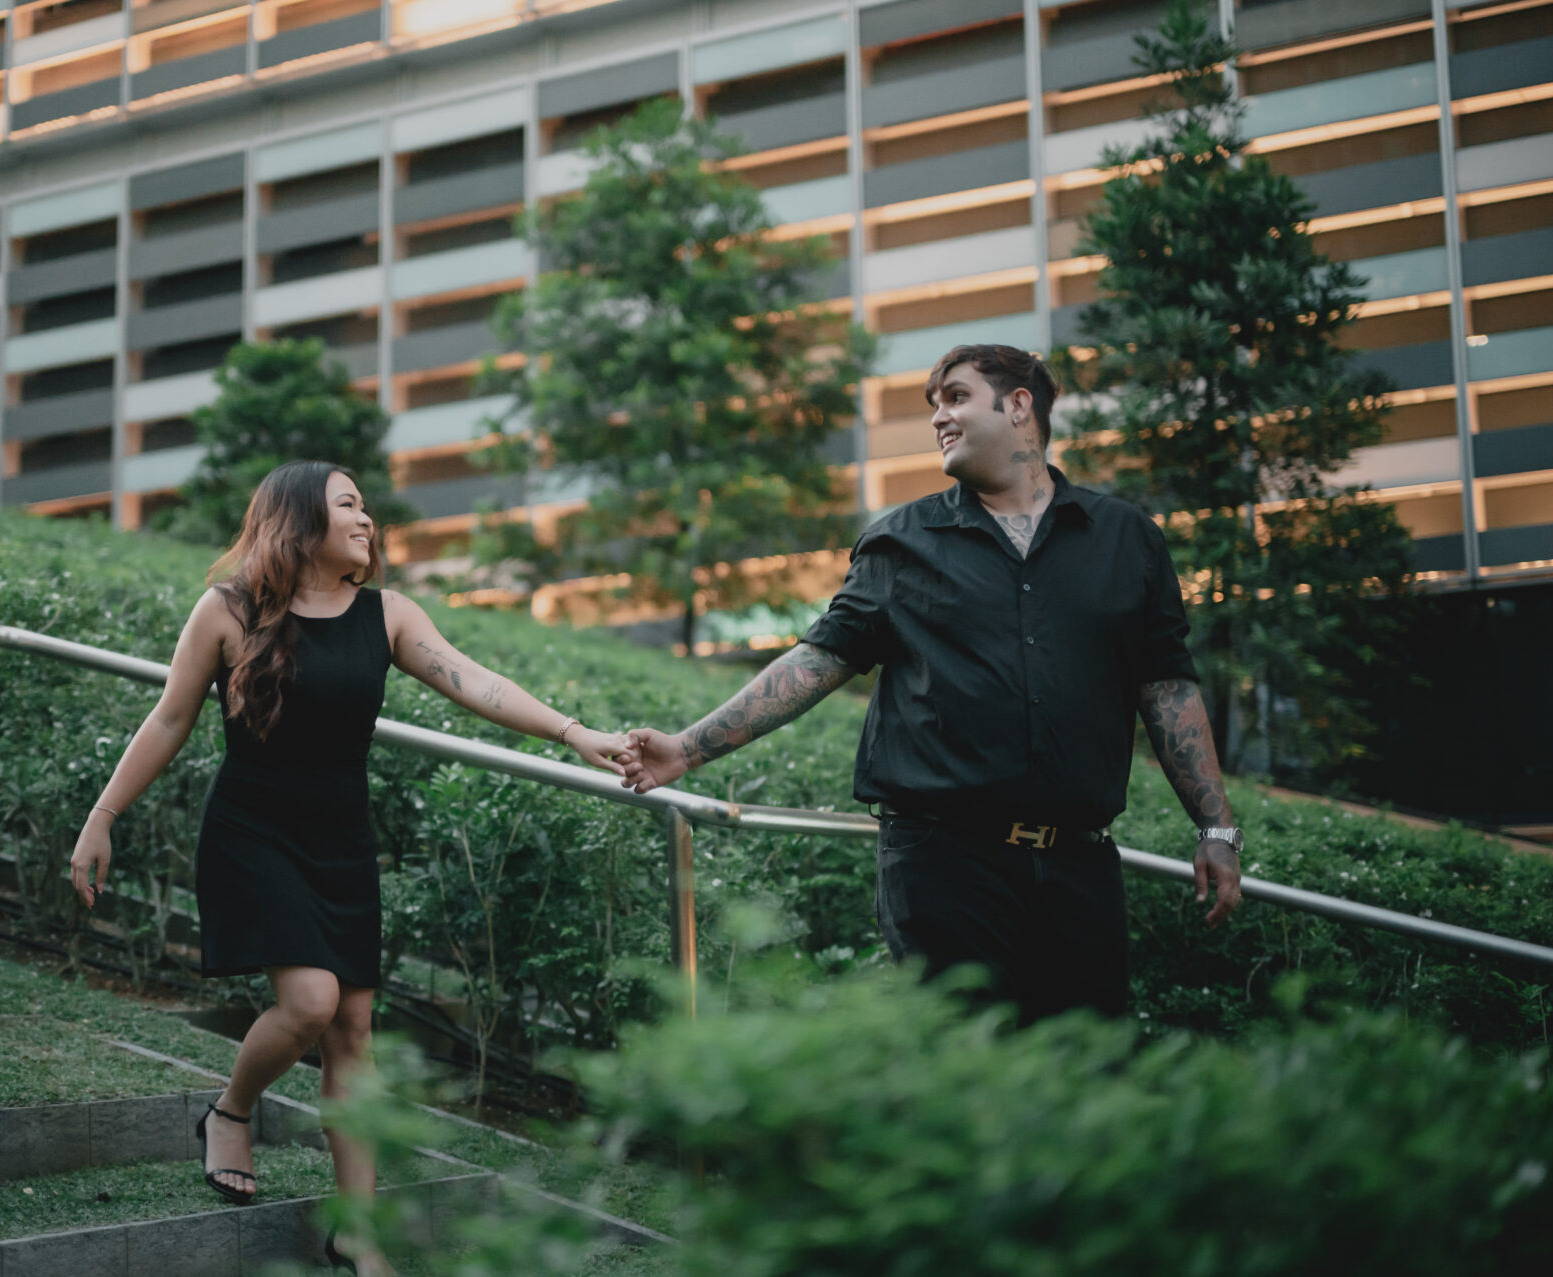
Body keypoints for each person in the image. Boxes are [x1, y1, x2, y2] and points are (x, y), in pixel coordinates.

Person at [68, 460, 631, 1276]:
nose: (368, 520)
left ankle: (357, 1233)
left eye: (366, 506)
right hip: (253, 832)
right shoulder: (226, 611)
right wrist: (102, 817)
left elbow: (473, 680)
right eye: (348, 505)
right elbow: (169, 718)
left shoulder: (387, 614)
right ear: (298, 521)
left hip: (340, 839)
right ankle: (230, 1111)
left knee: (353, 1034)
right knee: (311, 1001)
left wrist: (574, 731)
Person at [622, 344, 1242, 1022]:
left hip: (1081, 870)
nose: (937, 418)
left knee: (1089, 1080)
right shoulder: (901, 541)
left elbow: (1168, 689)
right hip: (944, 864)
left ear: (1019, 404)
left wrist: (1217, 826)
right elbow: (816, 661)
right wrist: (688, 748)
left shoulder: (1128, 541)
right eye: (933, 405)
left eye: (955, 397)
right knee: (965, 1076)